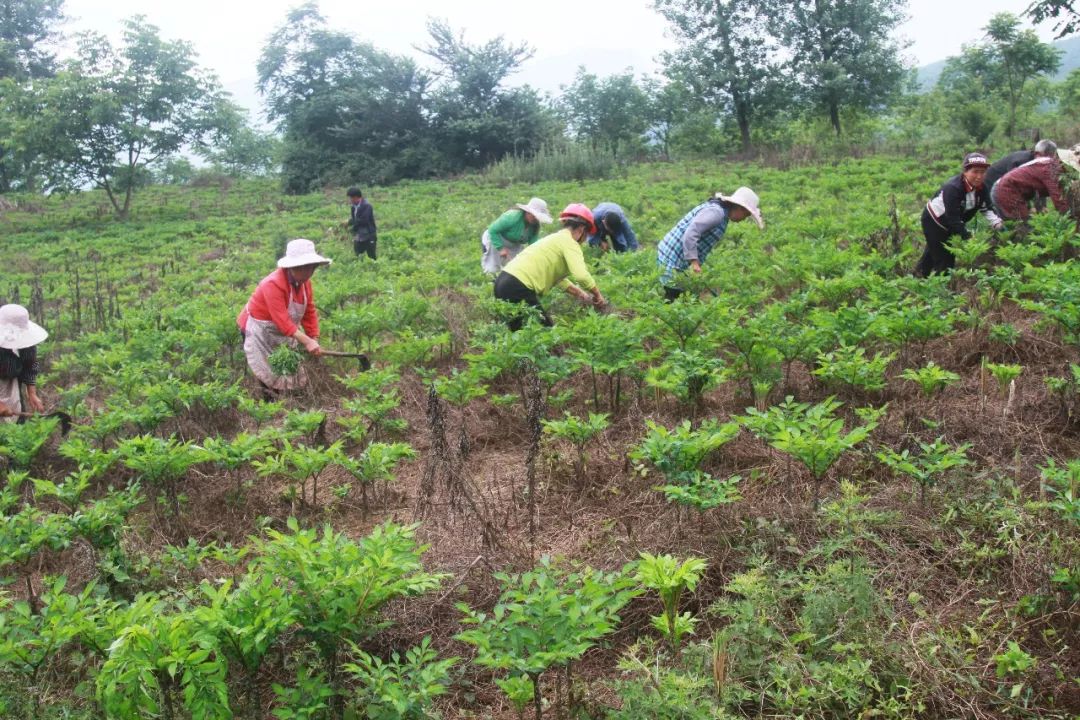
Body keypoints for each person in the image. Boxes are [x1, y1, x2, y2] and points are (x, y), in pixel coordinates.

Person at [493, 203, 606, 330]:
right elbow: (581, 276)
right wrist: (597, 295)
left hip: (501, 282)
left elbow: (558, 279)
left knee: (517, 332)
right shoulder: (570, 243)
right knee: (547, 331)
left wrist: (580, 293)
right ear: (581, 228)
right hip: (518, 285)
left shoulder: (554, 239)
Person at [237, 239, 330, 392]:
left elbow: (309, 312)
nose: (309, 272)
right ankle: (270, 407)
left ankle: (292, 403)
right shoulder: (272, 284)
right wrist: (306, 341)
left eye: (311, 268)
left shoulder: (305, 283)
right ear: (292, 267)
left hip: (282, 331)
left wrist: (314, 338)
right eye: (304, 268)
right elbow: (282, 320)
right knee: (266, 372)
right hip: (258, 329)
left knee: (289, 369)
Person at [657, 187, 764, 300]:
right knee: (675, 296)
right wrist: (694, 262)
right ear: (740, 208)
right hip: (672, 255)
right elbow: (691, 233)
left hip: (676, 254)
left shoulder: (722, 213)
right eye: (746, 215)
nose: (744, 219)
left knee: (681, 295)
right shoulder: (716, 213)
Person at [917, 152, 1004, 278]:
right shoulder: (953, 188)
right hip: (934, 220)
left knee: (932, 251)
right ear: (965, 171)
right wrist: (967, 237)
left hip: (954, 221)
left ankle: (918, 276)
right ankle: (942, 289)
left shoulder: (982, 188)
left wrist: (997, 223)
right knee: (945, 257)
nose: (979, 176)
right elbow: (952, 219)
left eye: (983, 172)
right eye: (975, 171)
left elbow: (986, 208)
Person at [991, 149, 1071, 223]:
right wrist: (1071, 219)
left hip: (1006, 188)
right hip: (1006, 189)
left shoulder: (1050, 164)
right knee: (1023, 224)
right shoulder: (1051, 168)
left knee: (1021, 224)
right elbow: (1059, 200)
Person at [984, 140, 1057, 215]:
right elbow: (1013, 186)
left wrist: (1042, 206)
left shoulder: (1036, 163)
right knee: (1005, 215)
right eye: (1046, 158)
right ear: (1038, 153)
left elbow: (1039, 184)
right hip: (992, 183)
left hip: (1003, 186)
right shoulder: (1020, 161)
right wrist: (1028, 207)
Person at [0, 304, 47, 422]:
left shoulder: (26, 343)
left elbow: (31, 365)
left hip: (13, 387)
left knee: (16, 427)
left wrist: (31, 393)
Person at [481, 197, 551, 274]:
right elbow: (493, 230)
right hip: (496, 239)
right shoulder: (511, 217)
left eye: (537, 217)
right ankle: (489, 280)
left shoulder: (535, 226)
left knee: (514, 269)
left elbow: (533, 245)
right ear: (527, 212)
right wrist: (500, 248)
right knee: (492, 268)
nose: (535, 218)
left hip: (514, 245)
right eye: (533, 215)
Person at [347, 187, 377, 260]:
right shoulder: (353, 207)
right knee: (357, 254)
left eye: (351, 198)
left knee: (371, 256)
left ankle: (374, 269)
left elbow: (364, 220)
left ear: (356, 197)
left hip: (369, 234)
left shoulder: (367, 206)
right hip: (359, 235)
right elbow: (355, 220)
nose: (350, 200)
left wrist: (350, 222)